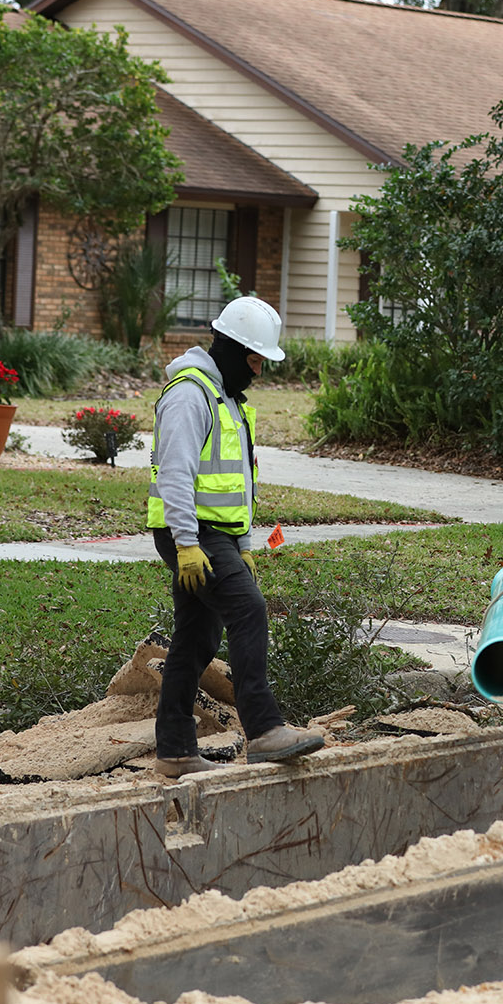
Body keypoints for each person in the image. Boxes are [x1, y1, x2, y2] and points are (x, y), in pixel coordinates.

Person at [146, 296, 324, 777]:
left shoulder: (226, 400)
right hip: (192, 535)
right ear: (228, 347)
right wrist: (185, 543)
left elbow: (238, 483)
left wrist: (244, 547)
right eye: (254, 360)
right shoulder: (190, 395)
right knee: (248, 609)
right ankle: (264, 730)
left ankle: (176, 751)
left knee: (195, 639)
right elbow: (175, 477)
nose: (258, 372)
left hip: (214, 536)